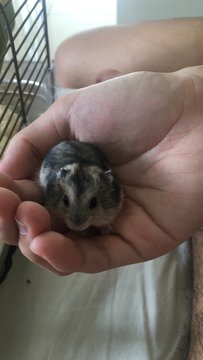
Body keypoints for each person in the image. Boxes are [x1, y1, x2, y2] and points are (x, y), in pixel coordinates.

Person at [0, 17, 203, 357]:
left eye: (93, 206)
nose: (78, 220)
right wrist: (194, 96)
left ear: (106, 190)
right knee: (68, 55)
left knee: (72, 58)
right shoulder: (57, 185)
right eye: (65, 202)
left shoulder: (109, 190)